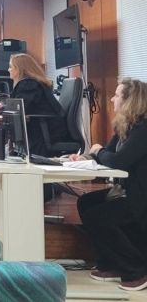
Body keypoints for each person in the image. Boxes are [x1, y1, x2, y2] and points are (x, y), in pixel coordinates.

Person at [69, 78, 147, 291]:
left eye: (117, 95)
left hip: (140, 197)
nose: (112, 99)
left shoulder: (143, 130)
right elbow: (107, 153)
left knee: (99, 217)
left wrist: (98, 151)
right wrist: (86, 157)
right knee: (86, 203)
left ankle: (136, 270)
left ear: (130, 101)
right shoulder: (126, 127)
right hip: (128, 191)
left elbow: (116, 160)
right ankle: (111, 263)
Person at [0, 53, 67, 157]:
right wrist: (1, 106)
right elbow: (17, 104)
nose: (8, 70)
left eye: (11, 67)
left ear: (20, 69)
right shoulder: (30, 83)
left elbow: (19, 109)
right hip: (43, 130)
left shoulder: (29, 85)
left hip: (45, 135)